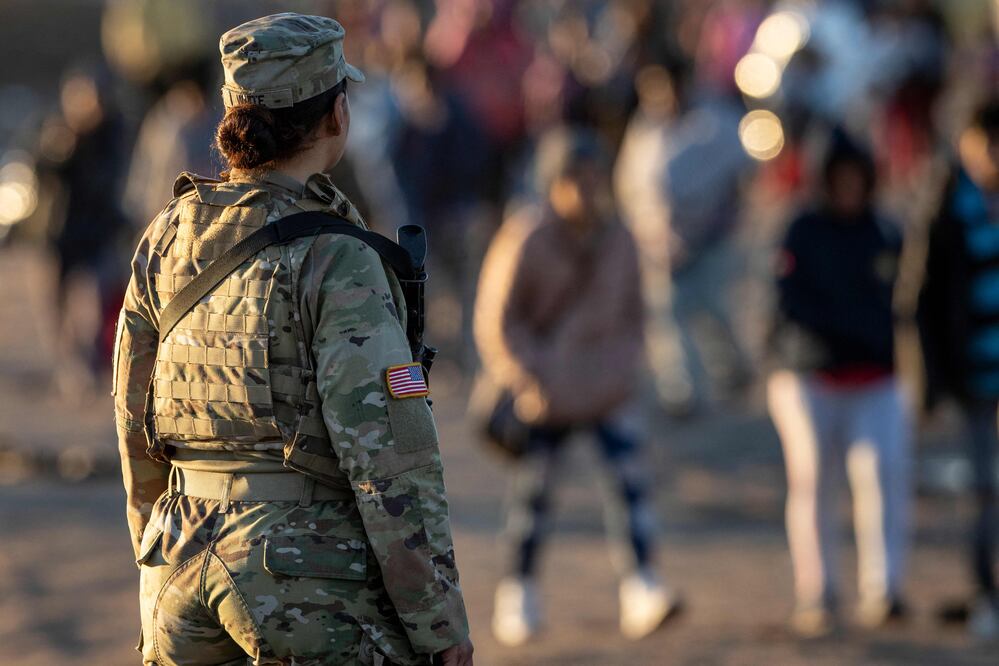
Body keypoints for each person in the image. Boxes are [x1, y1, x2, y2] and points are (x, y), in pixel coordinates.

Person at [111, 13, 472, 666]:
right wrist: (438, 622)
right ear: (336, 114)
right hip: (301, 581)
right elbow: (388, 456)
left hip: (175, 572)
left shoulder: (166, 236)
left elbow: (132, 419)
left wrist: (155, 550)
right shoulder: (338, 257)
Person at [474, 127, 680, 647]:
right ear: (554, 183)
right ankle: (518, 595)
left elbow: (637, 316)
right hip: (544, 393)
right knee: (534, 500)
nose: (587, 190)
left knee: (630, 490)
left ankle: (643, 586)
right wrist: (532, 374)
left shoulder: (620, 237)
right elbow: (497, 321)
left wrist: (621, 371)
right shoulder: (528, 235)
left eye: (594, 178)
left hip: (607, 389)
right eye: (575, 178)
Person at [767, 132, 911, 636]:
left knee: (882, 474)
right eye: (839, 177)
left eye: (857, 177)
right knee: (813, 481)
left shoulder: (884, 232)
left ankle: (885, 587)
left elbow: (906, 301)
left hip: (876, 379)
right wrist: (843, 333)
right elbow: (788, 307)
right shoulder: (802, 231)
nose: (849, 187)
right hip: (811, 380)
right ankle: (818, 591)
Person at [917, 98, 999, 638]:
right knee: (984, 489)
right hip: (973, 375)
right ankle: (984, 591)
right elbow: (921, 299)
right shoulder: (946, 205)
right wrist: (929, 382)